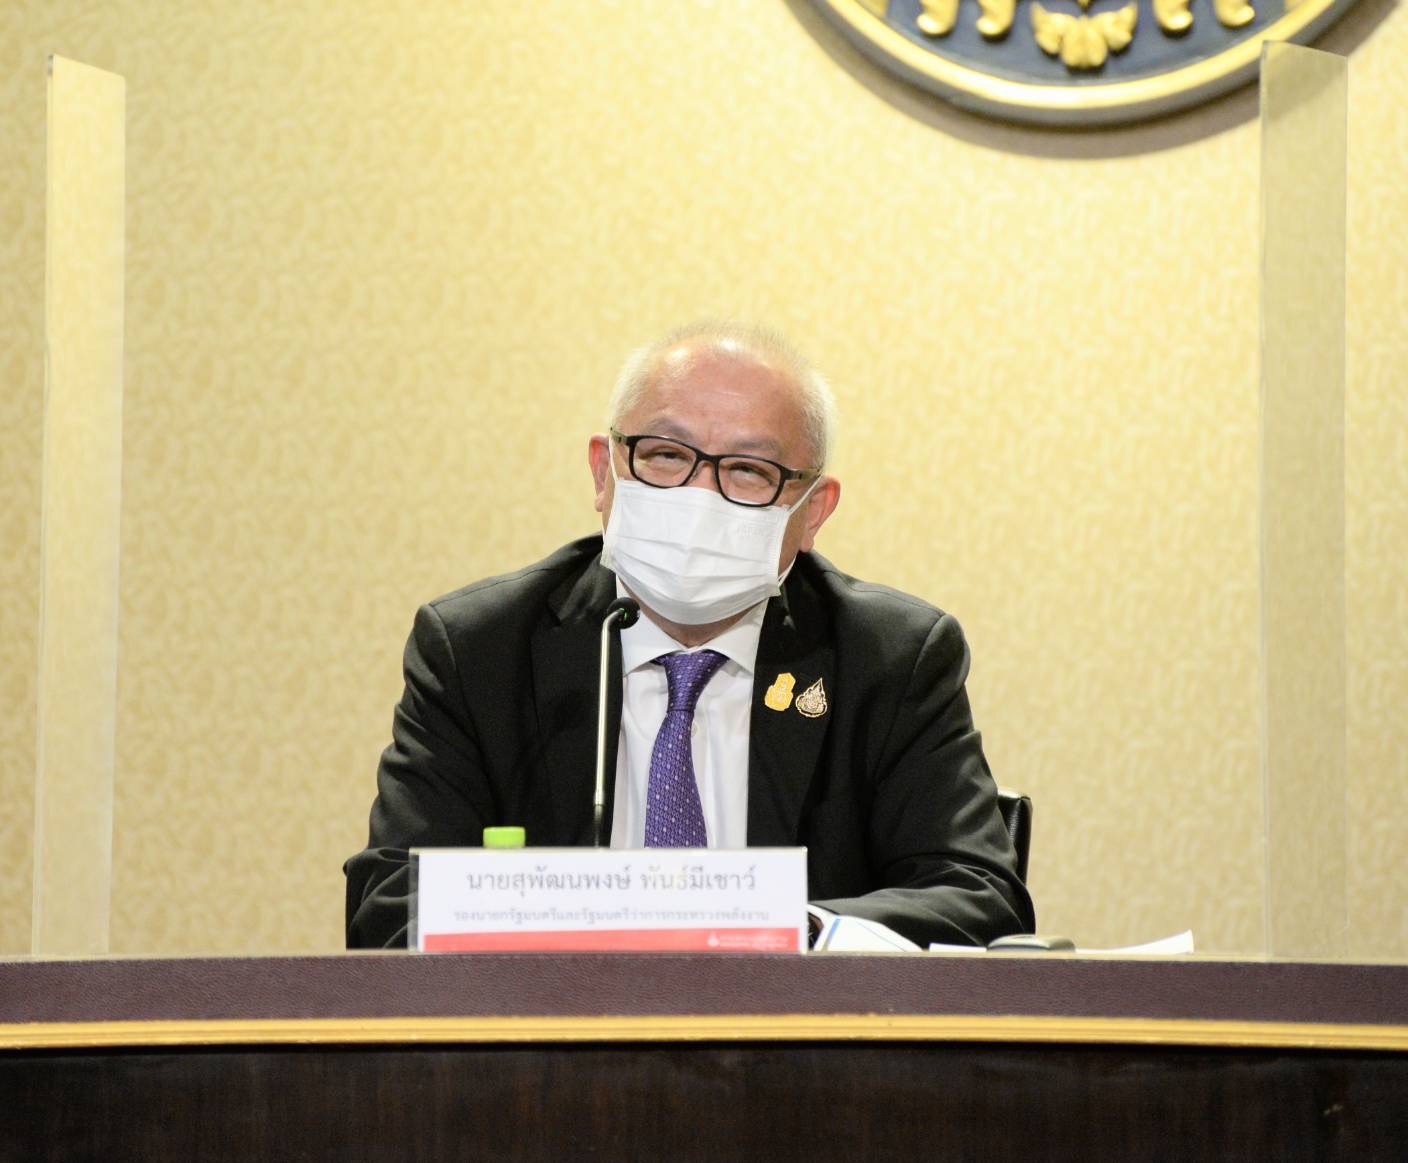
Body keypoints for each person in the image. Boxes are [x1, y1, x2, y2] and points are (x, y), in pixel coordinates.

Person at [345, 322, 1034, 949]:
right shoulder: (480, 649)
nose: (698, 496)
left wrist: (786, 931)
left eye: (748, 470)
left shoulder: (891, 658)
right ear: (604, 472)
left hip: (796, 1041)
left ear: (812, 511)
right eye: (666, 455)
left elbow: (978, 896)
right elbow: (390, 907)